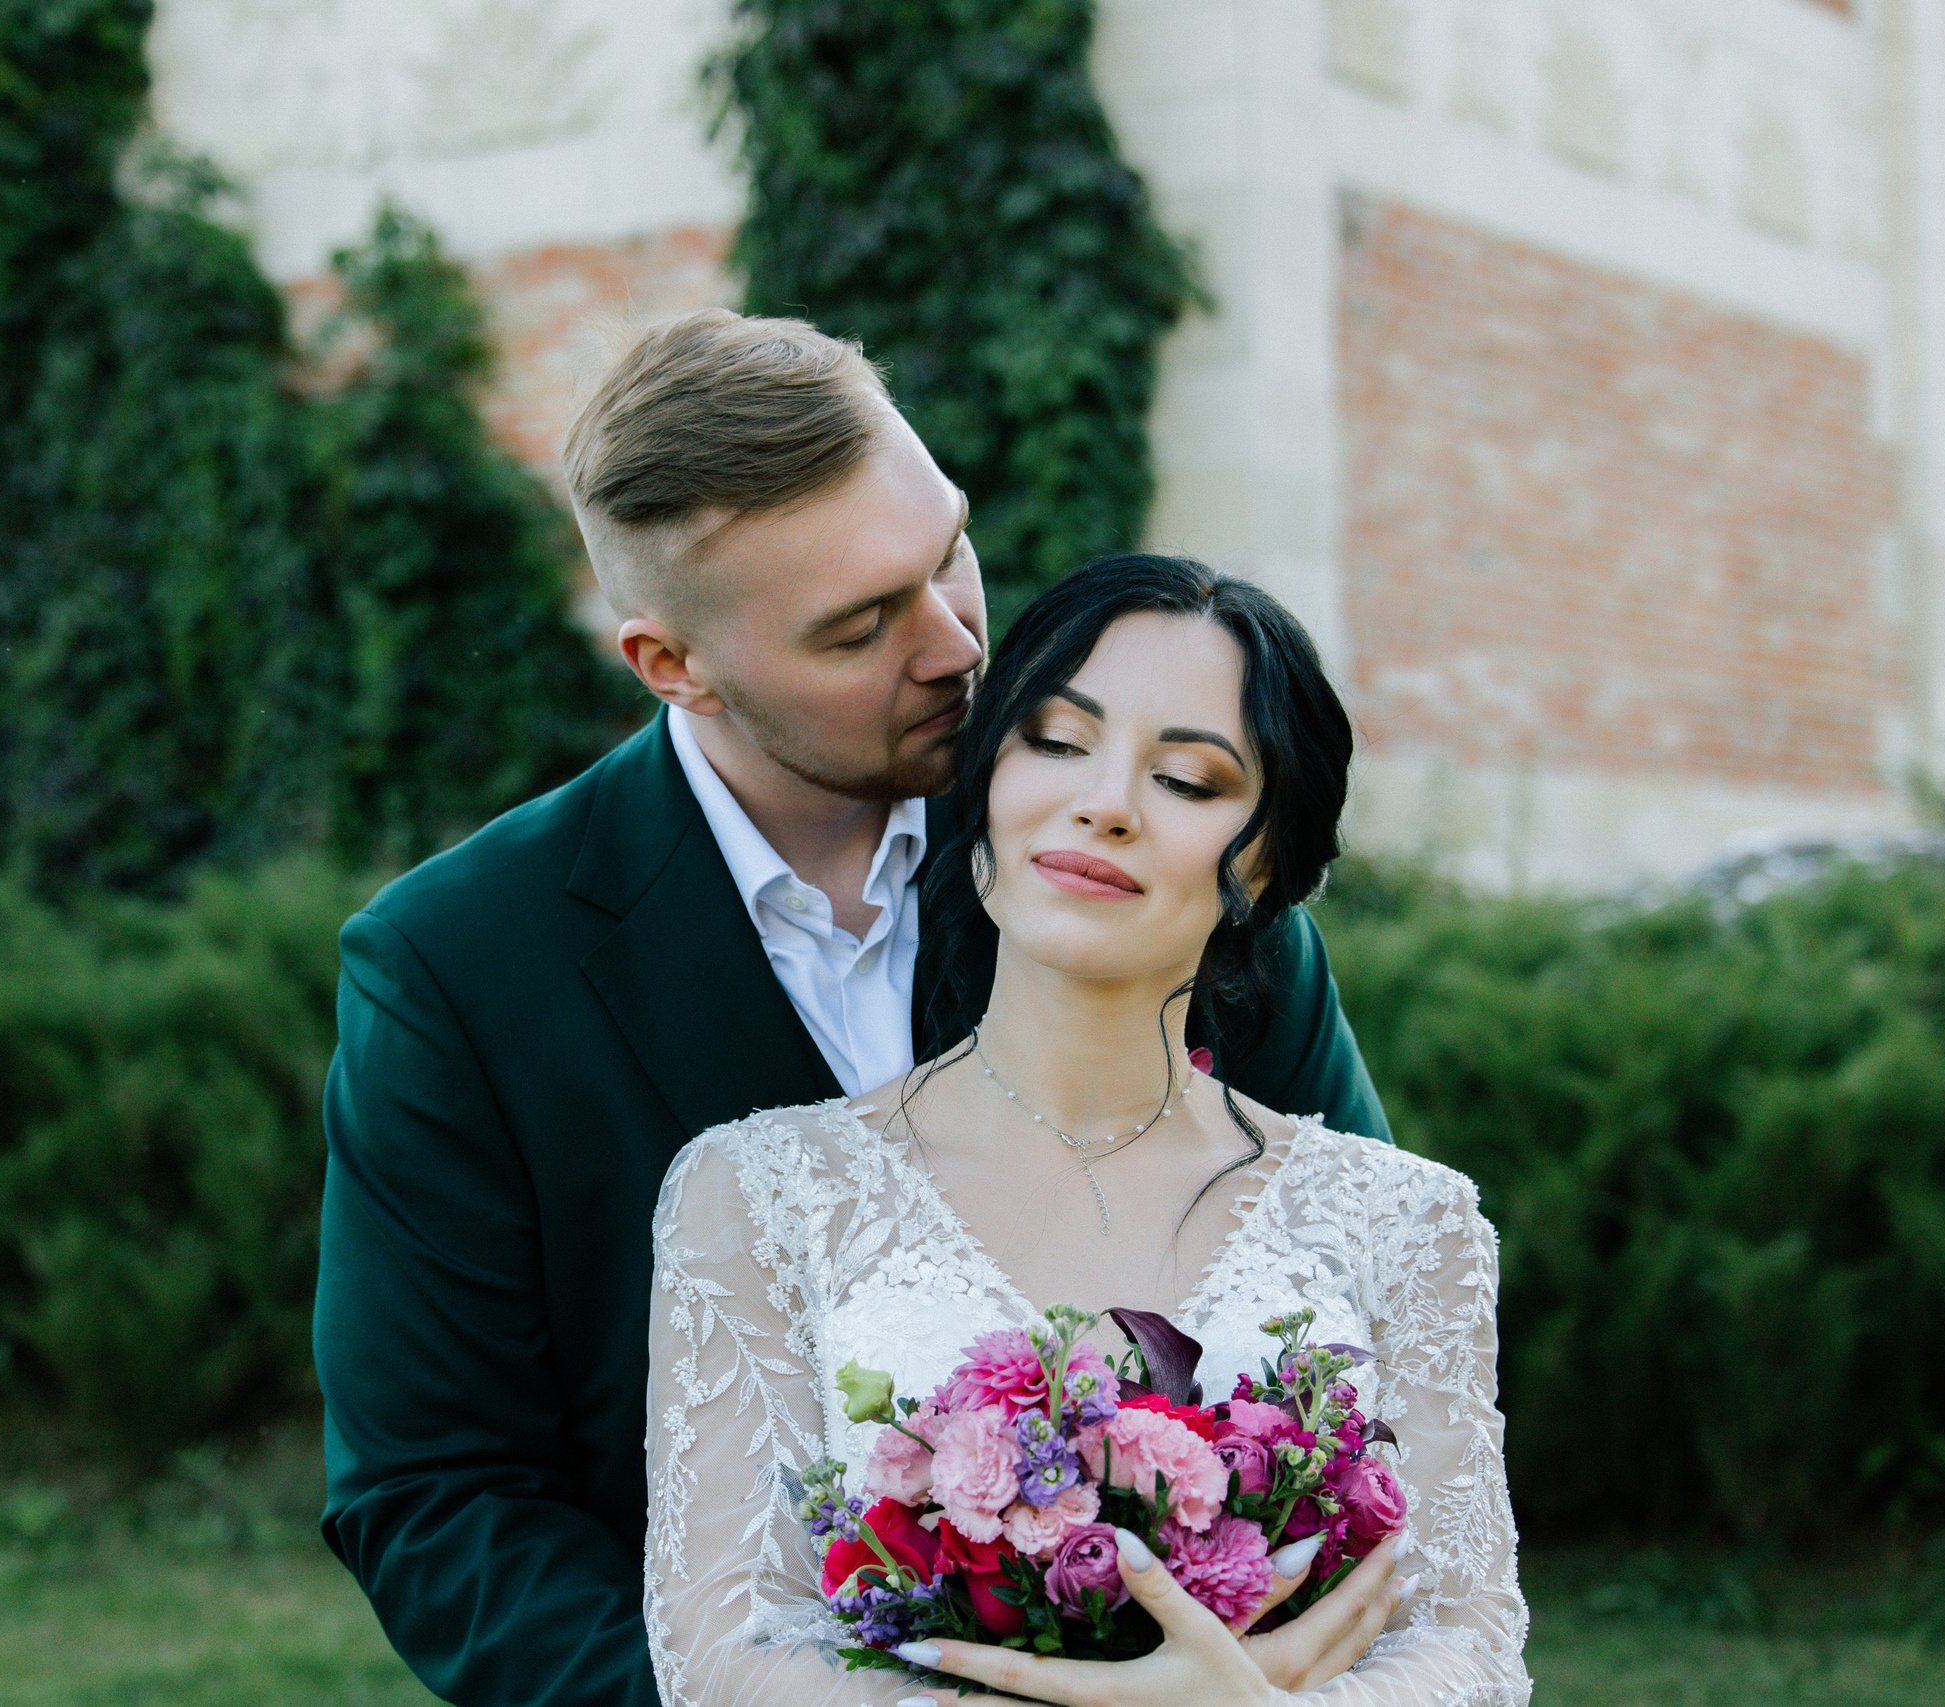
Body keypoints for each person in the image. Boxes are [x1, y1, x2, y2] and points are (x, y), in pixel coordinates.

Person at [315, 311, 1392, 1707]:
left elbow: (1371, 1345)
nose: (956, 644)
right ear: (672, 665)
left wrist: (1286, 1653)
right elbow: (439, 1495)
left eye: (946, 549)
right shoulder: (457, 970)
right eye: (859, 624)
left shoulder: (1166, 849)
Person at [646, 555, 1527, 1706]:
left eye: (1186, 778)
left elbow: (1467, 1649)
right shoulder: (757, 1192)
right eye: (1057, 743)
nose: (1103, 802)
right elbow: (727, 1653)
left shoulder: (1409, 1224)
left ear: (1261, 867)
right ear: (987, 781)